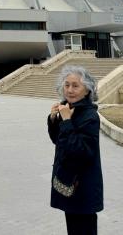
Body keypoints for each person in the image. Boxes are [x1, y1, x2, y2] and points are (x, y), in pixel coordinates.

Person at [48, 65, 103, 235]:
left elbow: (81, 152)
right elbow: (58, 140)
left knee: (83, 229)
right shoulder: (69, 109)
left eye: (75, 86)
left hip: (83, 188)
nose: (69, 90)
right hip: (69, 182)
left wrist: (66, 121)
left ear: (87, 90)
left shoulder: (90, 116)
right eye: (66, 85)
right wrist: (54, 119)